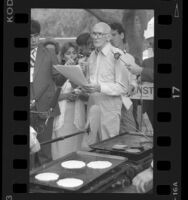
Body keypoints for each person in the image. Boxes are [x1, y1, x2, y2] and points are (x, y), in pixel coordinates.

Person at [82, 22, 130, 144]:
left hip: (109, 108)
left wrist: (99, 88)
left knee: (108, 145)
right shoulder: (92, 55)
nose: (96, 37)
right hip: (92, 106)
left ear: (108, 37)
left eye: (100, 34)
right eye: (94, 33)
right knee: (91, 144)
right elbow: (90, 81)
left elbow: (123, 87)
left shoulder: (118, 55)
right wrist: (83, 86)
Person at [30, 19, 66, 167]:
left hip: (45, 108)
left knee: (45, 151)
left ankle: (45, 184)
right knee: (28, 149)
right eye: (29, 36)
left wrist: (68, 70)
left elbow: (58, 79)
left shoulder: (49, 52)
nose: (33, 40)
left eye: (36, 36)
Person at [51, 42, 86, 160]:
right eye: (68, 53)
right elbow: (52, 96)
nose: (71, 56)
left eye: (74, 53)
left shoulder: (82, 70)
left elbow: (83, 91)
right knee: (61, 149)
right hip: (62, 116)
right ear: (62, 56)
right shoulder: (56, 71)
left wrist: (72, 73)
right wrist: (66, 96)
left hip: (76, 115)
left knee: (76, 149)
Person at [110, 22, 139, 133]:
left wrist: (133, 86)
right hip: (109, 103)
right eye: (109, 36)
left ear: (121, 35)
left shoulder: (130, 58)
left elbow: (133, 80)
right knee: (111, 138)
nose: (111, 38)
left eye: (114, 35)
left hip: (126, 103)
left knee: (131, 136)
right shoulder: (105, 57)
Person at [128, 17, 154, 127]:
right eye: (150, 43)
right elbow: (140, 83)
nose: (151, 46)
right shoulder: (147, 61)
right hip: (148, 108)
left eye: (152, 42)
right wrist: (135, 84)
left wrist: (141, 70)